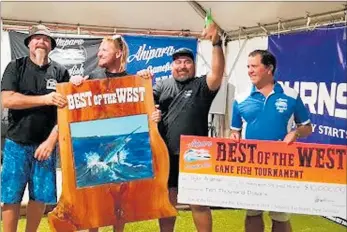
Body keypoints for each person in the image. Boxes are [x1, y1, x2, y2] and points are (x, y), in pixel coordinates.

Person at [138, 21, 225, 232]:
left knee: (199, 203)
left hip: (197, 153)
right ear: (171, 66)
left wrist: (216, 44)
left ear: (194, 66)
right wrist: (142, 85)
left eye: (187, 61)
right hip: (166, 153)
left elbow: (218, 71)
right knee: (168, 201)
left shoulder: (203, 86)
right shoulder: (161, 86)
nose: (182, 66)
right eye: (178, 62)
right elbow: (141, 105)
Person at [70, 35, 161, 232]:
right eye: (99, 49)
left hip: (117, 142)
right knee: (96, 202)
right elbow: (74, 103)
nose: (99, 53)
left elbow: (147, 110)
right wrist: (74, 83)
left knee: (120, 202)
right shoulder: (93, 77)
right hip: (99, 140)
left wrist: (154, 114)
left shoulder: (134, 80)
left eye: (104, 49)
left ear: (118, 53)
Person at [229, 49, 312, 232]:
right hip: (251, 165)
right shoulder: (241, 97)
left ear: (269, 68)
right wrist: (234, 136)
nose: (249, 71)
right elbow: (235, 130)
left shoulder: (290, 95)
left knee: (280, 216)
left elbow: (307, 127)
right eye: (248, 67)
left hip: (281, 166)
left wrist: (296, 133)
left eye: (254, 66)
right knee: (252, 213)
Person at [1, 24, 69, 232]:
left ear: (51, 45)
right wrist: (46, 99)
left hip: (45, 147)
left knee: (40, 197)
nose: (41, 41)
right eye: (36, 38)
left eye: (46, 39)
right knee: (11, 196)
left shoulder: (60, 72)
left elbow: (65, 113)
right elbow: (7, 100)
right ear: (29, 43)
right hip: (16, 143)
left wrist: (50, 142)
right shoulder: (16, 66)